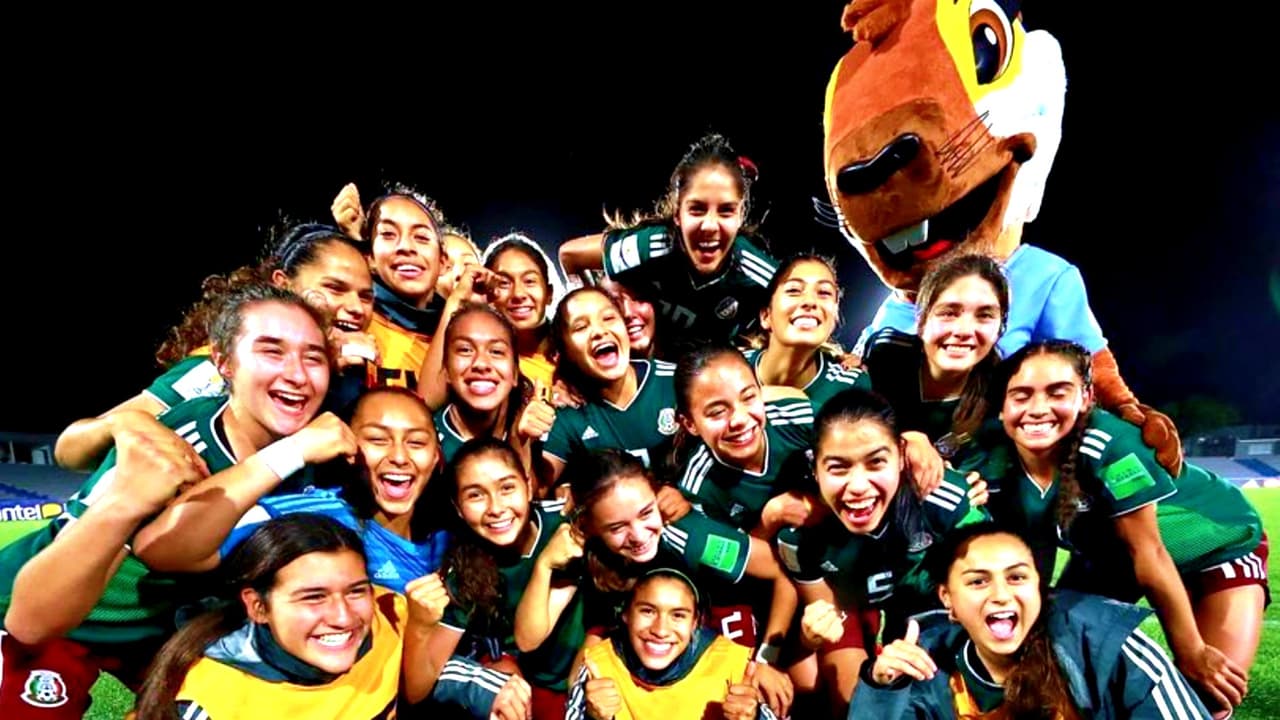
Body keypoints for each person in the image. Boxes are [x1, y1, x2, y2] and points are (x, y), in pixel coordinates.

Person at [0, 285, 343, 717]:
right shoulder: (171, 444)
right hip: (54, 620)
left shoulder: (313, 460)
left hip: (160, 635)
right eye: (272, 352)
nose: (297, 375)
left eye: (313, 357)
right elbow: (33, 620)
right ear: (223, 362)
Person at [980, 339, 1263, 713]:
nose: (1038, 408)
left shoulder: (1111, 444)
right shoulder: (994, 457)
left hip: (1215, 546)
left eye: (1057, 393)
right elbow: (1036, 553)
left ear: (1086, 398)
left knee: (1207, 699)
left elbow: (1149, 553)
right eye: (1021, 395)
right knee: (1052, 659)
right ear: (1001, 406)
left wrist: (1192, 651)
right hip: (1111, 557)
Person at [54, 223, 377, 471]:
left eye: (366, 296)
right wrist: (127, 424)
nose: (355, 308)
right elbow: (69, 451)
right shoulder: (215, 370)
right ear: (283, 284)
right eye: (334, 288)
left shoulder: (354, 375)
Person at [848, 523, 1211, 719]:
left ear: (1039, 587)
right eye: (978, 581)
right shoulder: (926, 667)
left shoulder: (1106, 643)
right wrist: (882, 690)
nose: (1001, 595)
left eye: (1017, 577)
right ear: (948, 600)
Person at [777, 388, 988, 713]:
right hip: (854, 610)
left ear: (902, 457)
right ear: (814, 468)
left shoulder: (944, 499)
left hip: (933, 613)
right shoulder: (799, 534)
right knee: (851, 703)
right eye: (838, 468)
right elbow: (826, 620)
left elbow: (990, 584)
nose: (858, 486)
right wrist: (809, 638)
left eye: (876, 462)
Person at [132, 515, 406, 719]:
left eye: (356, 591)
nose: (343, 618)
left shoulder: (390, 613)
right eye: (313, 597)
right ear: (258, 607)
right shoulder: (211, 703)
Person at [559, 133, 779, 349]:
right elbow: (570, 256)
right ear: (677, 214)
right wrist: (592, 311)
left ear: (741, 216)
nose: (710, 225)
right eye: (697, 209)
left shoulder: (757, 272)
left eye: (726, 211)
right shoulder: (651, 246)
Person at [565, 569, 775, 720]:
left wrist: (755, 716)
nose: (661, 630)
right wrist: (592, 717)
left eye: (678, 615)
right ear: (626, 614)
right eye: (648, 611)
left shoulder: (735, 666)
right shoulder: (600, 667)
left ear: (695, 622)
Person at [541, 287, 678, 487]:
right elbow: (535, 488)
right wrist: (523, 436)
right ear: (565, 351)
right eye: (581, 327)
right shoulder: (568, 411)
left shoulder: (676, 382)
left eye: (608, 318)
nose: (599, 331)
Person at [744, 255, 868, 410]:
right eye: (794, 290)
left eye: (824, 292)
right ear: (766, 316)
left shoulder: (851, 388)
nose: (810, 302)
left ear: (835, 316)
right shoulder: (728, 370)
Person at [485, 232, 561, 389]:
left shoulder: (575, 351)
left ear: (549, 294)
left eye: (529, 281)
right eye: (504, 283)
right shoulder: (483, 364)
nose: (518, 294)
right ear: (487, 295)